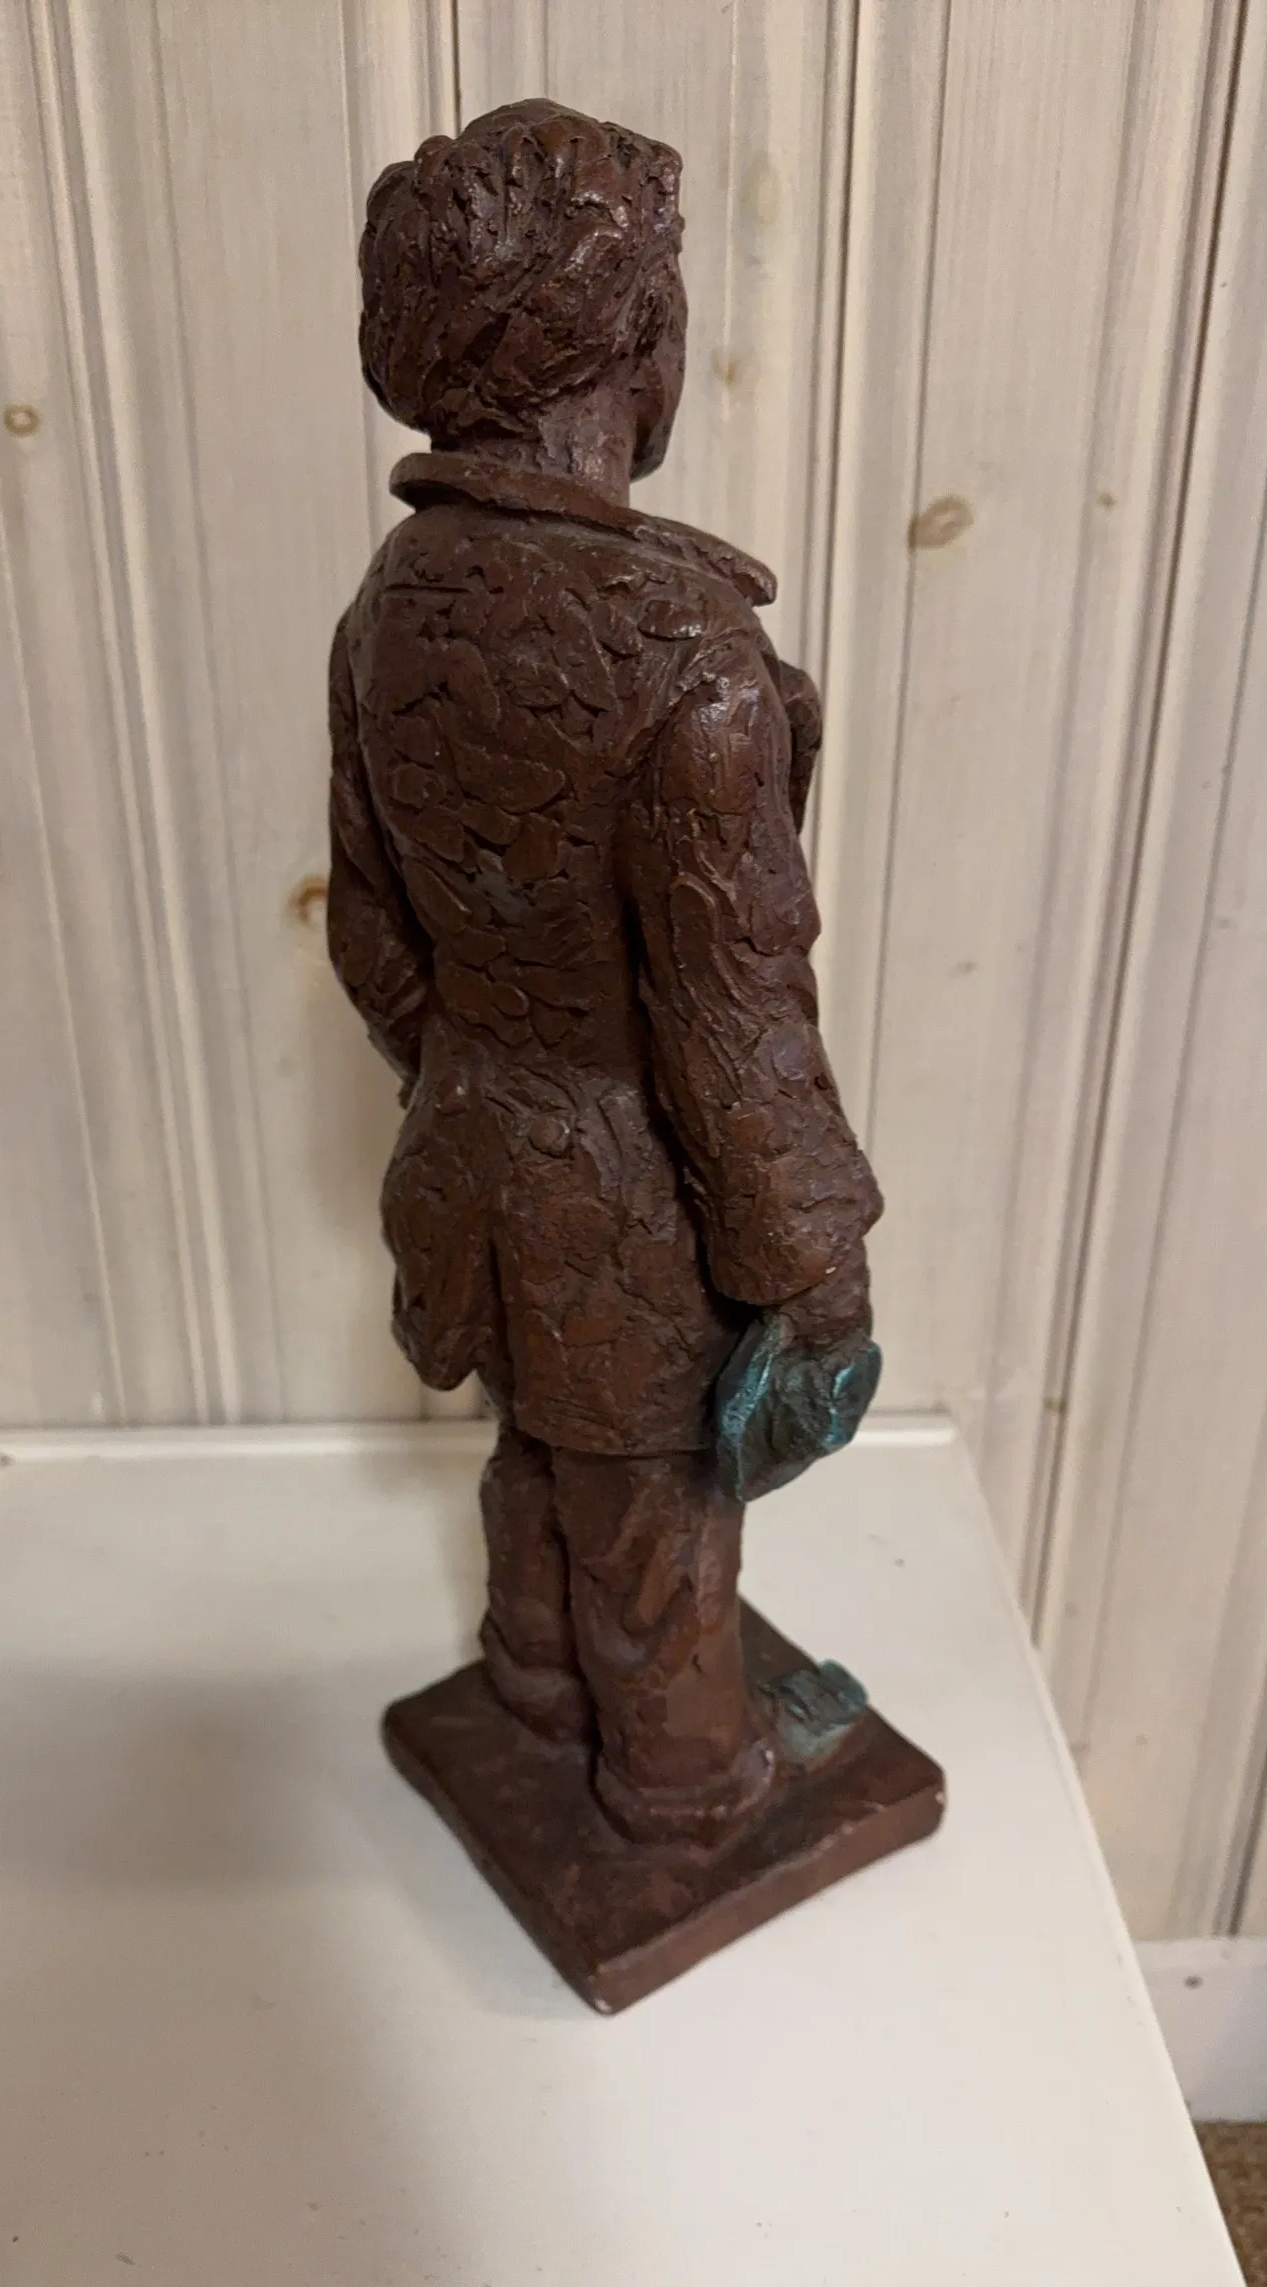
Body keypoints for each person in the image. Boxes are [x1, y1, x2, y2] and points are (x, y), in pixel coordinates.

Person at [328, 99, 881, 1849]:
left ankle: (535, 1679)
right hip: (635, 1210)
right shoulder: (687, 654)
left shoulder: (393, 602)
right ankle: (687, 1780)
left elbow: (369, 935)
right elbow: (736, 1020)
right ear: (635, 338)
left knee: (531, 1449)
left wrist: (476, 1079)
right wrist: (819, 1270)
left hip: (467, 1163)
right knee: (655, 1513)